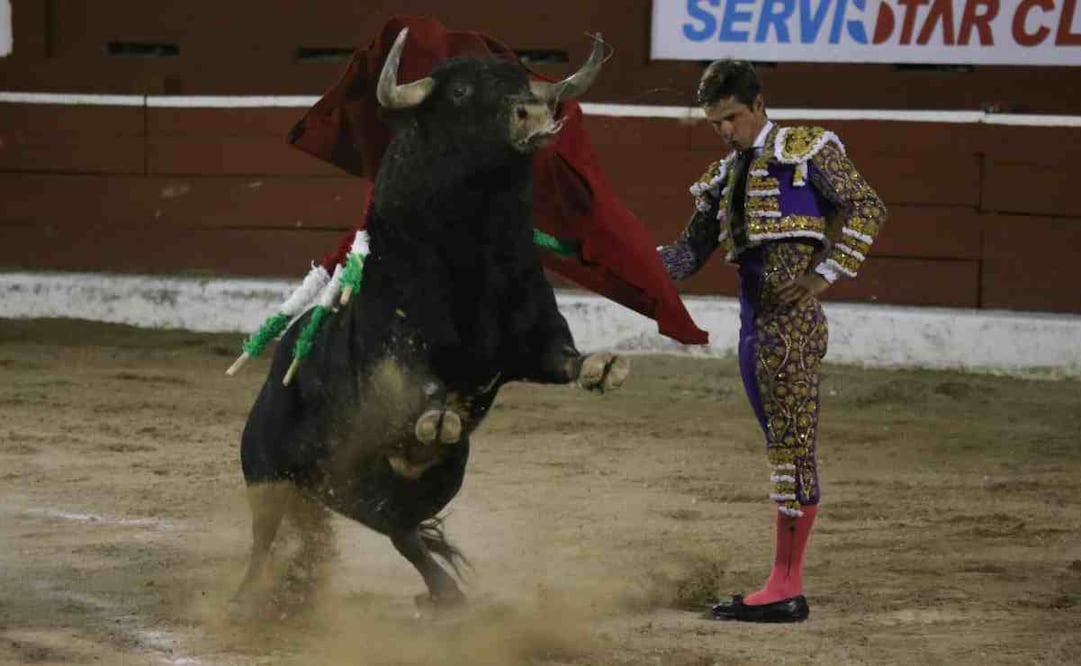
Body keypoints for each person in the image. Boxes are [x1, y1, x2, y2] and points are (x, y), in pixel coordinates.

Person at [657, 59, 887, 623]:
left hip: (791, 328)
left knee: (791, 449)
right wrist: (613, 258)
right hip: (753, 330)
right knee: (781, 445)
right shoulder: (723, 176)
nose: (725, 131)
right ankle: (782, 581)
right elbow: (685, 257)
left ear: (758, 104)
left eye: (731, 118)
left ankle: (786, 587)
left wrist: (820, 278)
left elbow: (867, 206)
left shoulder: (807, 148)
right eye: (715, 123)